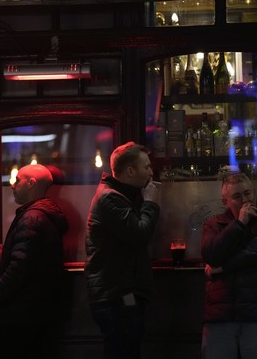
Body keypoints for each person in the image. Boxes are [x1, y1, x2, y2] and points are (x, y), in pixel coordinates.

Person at [0, 164, 69, 359]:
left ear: (31, 183)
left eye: (17, 180)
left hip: (21, 314)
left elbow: (19, 267)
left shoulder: (32, 218)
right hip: (35, 312)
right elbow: (19, 253)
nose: (12, 185)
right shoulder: (39, 214)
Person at [200, 172, 257, 359]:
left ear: (255, 193)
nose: (245, 200)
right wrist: (239, 223)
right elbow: (212, 255)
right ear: (225, 201)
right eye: (237, 196)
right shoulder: (213, 224)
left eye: (248, 193)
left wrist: (223, 267)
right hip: (221, 314)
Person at [85, 141, 160, 359]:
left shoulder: (120, 195)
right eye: (146, 167)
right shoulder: (110, 199)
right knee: (123, 348)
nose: (151, 171)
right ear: (130, 171)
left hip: (120, 293)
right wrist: (151, 202)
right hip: (116, 295)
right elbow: (140, 234)